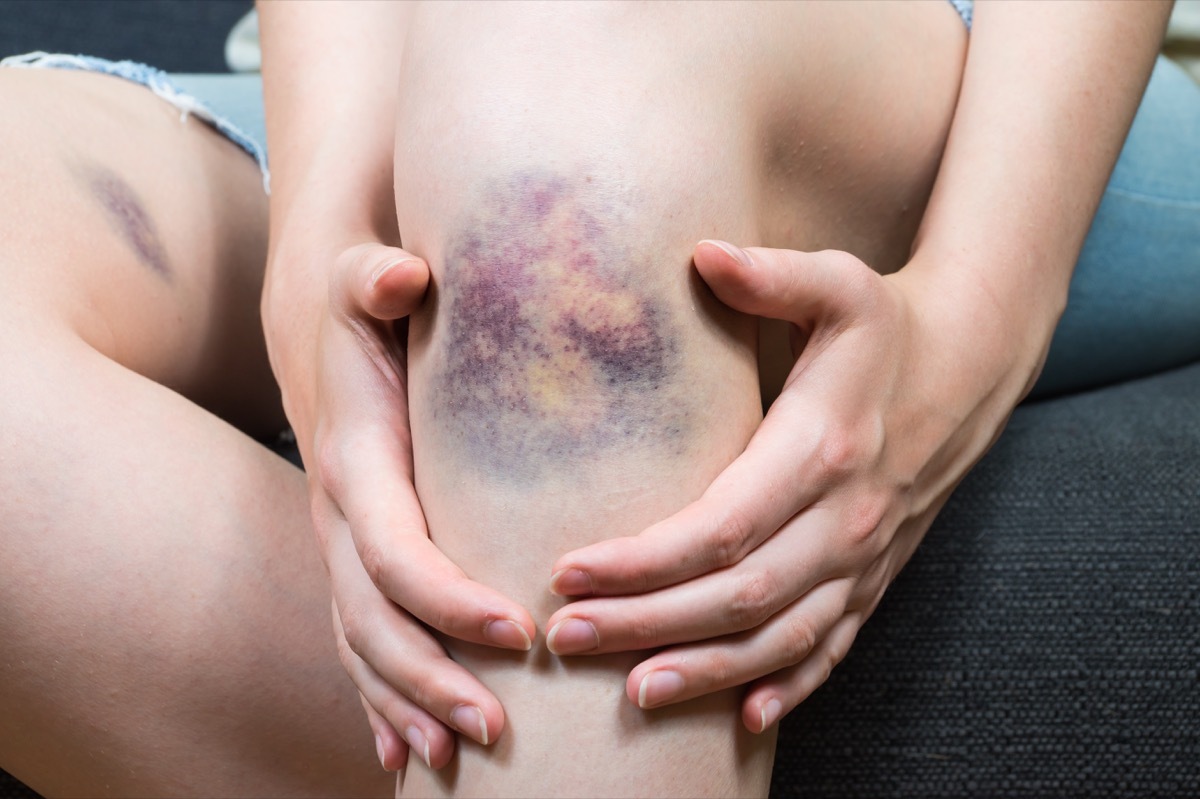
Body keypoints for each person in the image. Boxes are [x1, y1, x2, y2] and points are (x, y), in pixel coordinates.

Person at [1, 0, 1196, 795]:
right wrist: (320, 252)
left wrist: (978, 309)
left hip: (976, 90)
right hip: (394, 77)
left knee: (551, 147)